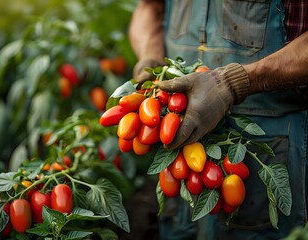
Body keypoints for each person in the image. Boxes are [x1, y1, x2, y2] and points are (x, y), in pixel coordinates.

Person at [128, 0, 308, 239]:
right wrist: (150, 52)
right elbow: (149, 6)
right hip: (183, 148)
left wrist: (235, 82)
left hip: (269, 142)